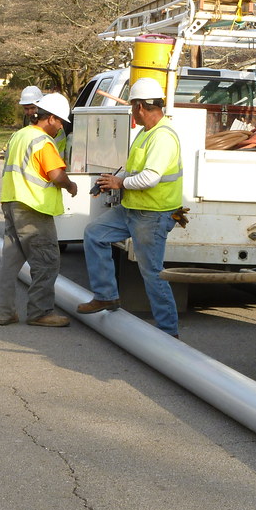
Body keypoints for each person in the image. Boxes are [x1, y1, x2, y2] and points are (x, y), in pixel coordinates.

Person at [79, 77, 182, 337]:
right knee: (95, 234)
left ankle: (169, 333)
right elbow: (133, 170)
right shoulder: (146, 133)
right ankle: (106, 296)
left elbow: (150, 178)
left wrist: (119, 182)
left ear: (139, 107)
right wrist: (113, 181)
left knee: (152, 274)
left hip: (153, 214)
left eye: (133, 107)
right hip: (132, 209)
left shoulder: (163, 137)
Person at [0, 93, 78, 327]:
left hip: (12, 202)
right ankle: (40, 312)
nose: (61, 126)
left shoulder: (19, 135)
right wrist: (71, 185)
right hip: (33, 207)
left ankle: (4, 312)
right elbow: (55, 174)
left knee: (9, 264)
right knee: (46, 261)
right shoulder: (43, 141)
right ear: (50, 118)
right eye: (60, 121)